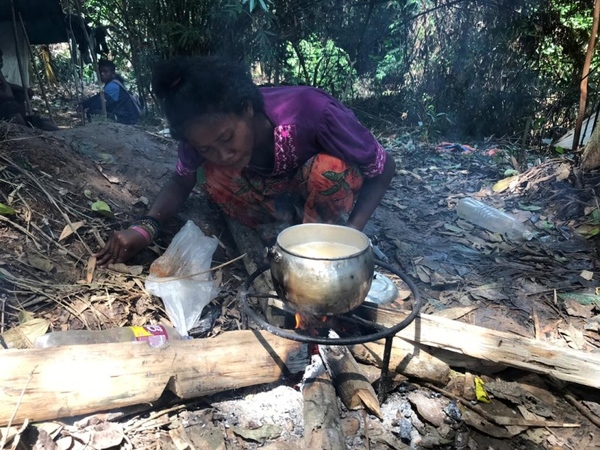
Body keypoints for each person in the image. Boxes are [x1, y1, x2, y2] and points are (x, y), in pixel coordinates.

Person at [95, 55, 395, 266]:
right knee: (210, 175)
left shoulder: (310, 110)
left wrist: (352, 235)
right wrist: (145, 228)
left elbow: (382, 168)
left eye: (227, 138)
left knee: (331, 172)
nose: (224, 154)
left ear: (248, 108)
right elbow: (182, 180)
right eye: (208, 147)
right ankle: (273, 230)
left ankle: (317, 239)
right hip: (264, 202)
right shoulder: (199, 134)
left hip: (312, 197)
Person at [79, 59, 139, 125]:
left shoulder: (113, 86)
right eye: (100, 71)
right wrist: (84, 104)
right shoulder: (114, 83)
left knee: (93, 111)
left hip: (126, 119)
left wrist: (84, 106)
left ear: (112, 73)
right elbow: (99, 96)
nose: (102, 74)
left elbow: (99, 102)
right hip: (126, 116)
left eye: (105, 71)